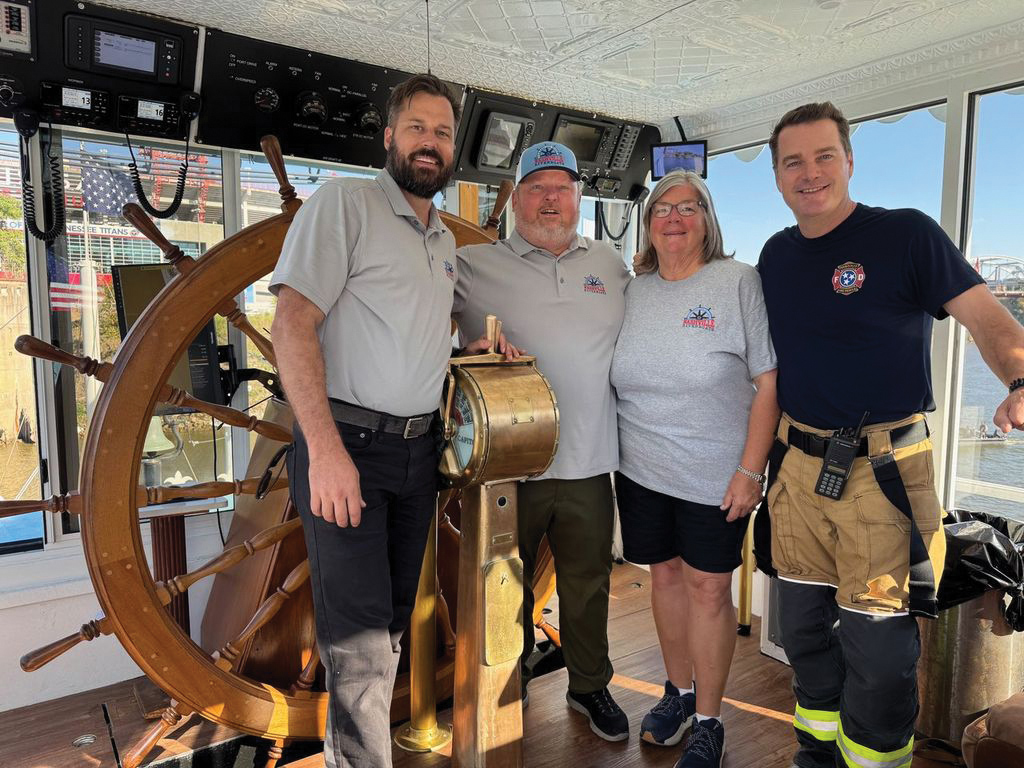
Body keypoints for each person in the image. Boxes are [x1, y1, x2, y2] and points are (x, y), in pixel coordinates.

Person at [757, 101, 1024, 768]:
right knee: (804, 632)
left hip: (883, 474)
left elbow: (991, 325)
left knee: (878, 649)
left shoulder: (907, 236)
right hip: (794, 469)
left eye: (823, 156)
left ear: (848, 162)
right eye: (793, 161)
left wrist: (1019, 381)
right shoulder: (775, 255)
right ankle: (815, 757)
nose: (809, 172)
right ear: (778, 177)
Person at [269, 73, 463, 768]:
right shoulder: (344, 205)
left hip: (418, 457)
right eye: (417, 128)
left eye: (442, 132)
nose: (429, 143)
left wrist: (482, 345)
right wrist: (324, 451)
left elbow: (423, 335)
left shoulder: (440, 240)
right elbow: (291, 322)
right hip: (348, 446)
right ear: (389, 136)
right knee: (357, 652)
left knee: (386, 638)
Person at [452, 141, 632, 741]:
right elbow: (420, 336)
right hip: (505, 466)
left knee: (588, 583)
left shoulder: (611, 265)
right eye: (537, 187)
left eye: (562, 187)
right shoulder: (473, 265)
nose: (550, 198)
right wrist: (461, 352)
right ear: (518, 199)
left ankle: (589, 687)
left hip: (588, 462)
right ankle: (508, 687)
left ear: (579, 197)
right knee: (504, 585)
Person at [610, 170, 779, 768]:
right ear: (649, 223)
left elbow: (768, 381)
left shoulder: (737, 282)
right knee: (664, 578)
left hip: (716, 473)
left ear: (708, 220)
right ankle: (677, 694)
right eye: (663, 208)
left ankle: (709, 719)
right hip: (640, 470)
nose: (674, 218)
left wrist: (750, 470)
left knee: (709, 588)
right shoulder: (635, 289)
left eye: (690, 207)